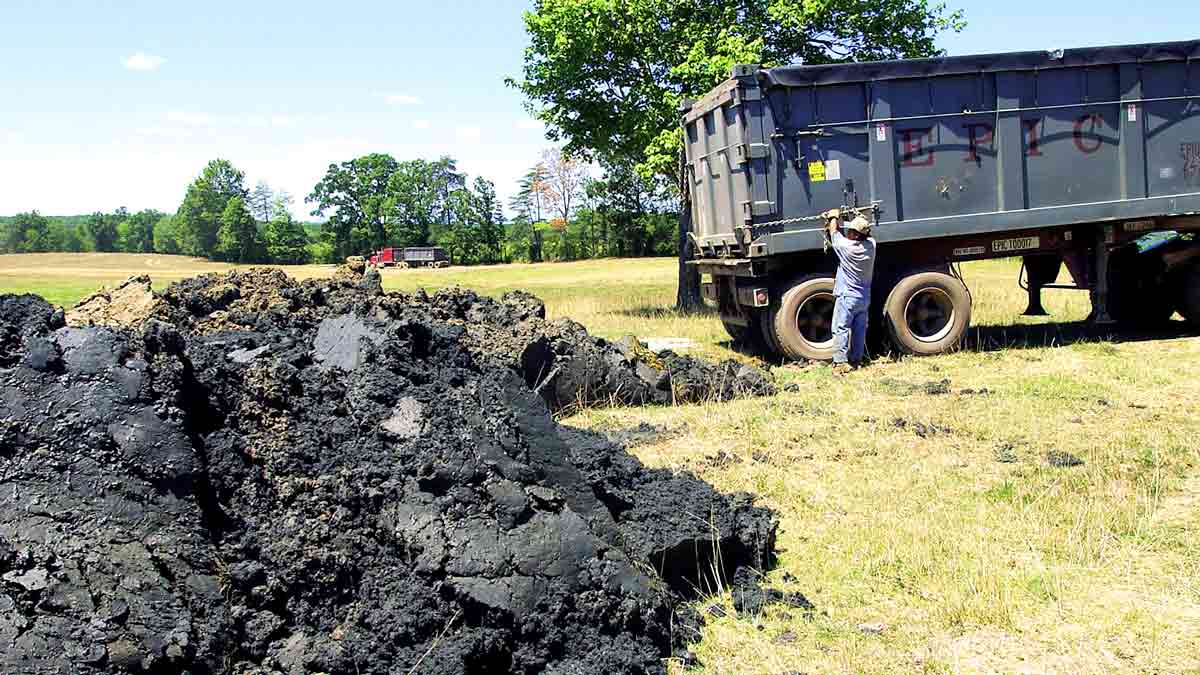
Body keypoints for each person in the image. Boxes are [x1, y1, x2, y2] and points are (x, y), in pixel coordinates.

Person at [823, 209, 876, 374]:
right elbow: (865, 233)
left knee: (841, 328)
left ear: (854, 234)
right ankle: (856, 359)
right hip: (864, 298)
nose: (848, 233)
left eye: (851, 231)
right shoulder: (871, 246)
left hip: (847, 297)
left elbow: (834, 232)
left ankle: (840, 363)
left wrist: (833, 216)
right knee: (860, 329)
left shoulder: (846, 247)